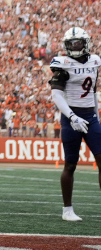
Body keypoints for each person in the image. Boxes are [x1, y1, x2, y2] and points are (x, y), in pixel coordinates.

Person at [49, 27, 101, 222]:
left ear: (85, 43)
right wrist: (72, 117)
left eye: (78, 43)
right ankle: (67, 210)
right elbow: (56, 95)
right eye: (71, 43)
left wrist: (96, 115)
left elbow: (93, 93)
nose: (74, 46)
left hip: (90, 116)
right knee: (70, 164)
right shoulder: (62, 63)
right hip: (71, 117)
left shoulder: (95, 61)